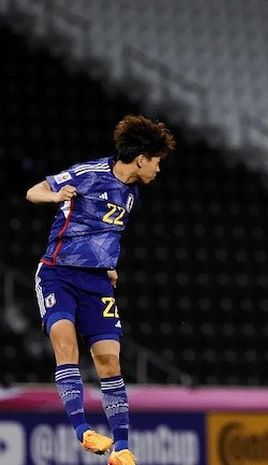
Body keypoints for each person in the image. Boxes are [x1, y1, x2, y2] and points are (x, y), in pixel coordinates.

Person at [26, 115, 175, 465]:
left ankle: (121, 449)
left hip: (96, 282)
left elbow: (106, 233)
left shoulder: (132, 194)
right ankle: (83, 432)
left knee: (110, 362)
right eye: (157, 160)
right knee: (66, 345)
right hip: (57, 274)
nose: (158, 168)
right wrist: (55, 196)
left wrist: (107, 264)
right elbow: (33, 191)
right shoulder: (88, 173)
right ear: (142, 159)